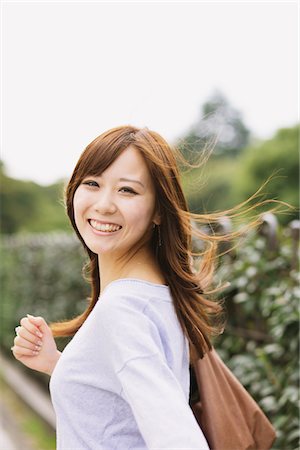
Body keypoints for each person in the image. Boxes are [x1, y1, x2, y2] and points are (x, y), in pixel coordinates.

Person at [11, 125, 283, 450]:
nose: (104, 204)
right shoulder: (156, 296)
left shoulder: (123, 310)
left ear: (158, 209)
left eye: (127, 190)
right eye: (92, 183)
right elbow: (123, 411)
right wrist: (61, 365)